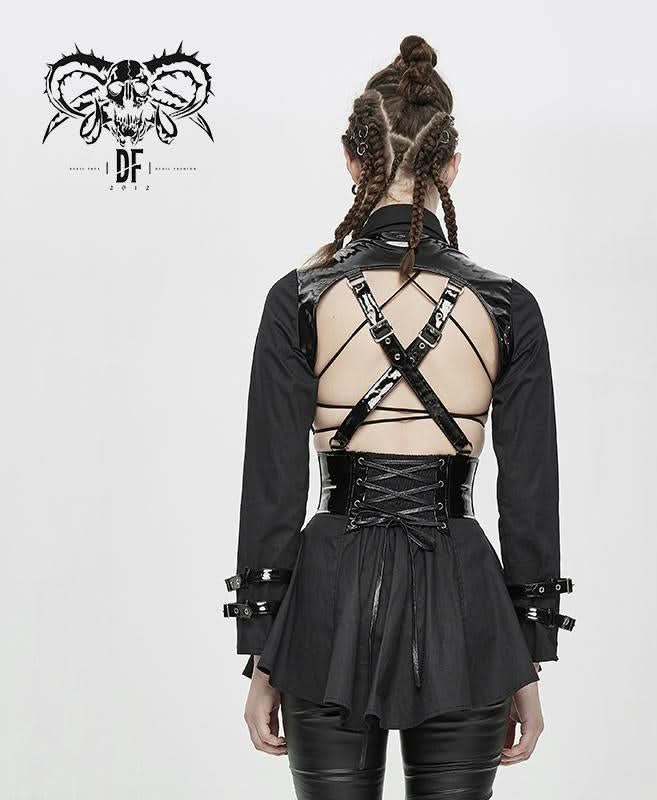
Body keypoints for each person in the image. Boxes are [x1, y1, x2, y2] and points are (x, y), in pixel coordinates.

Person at [223, 34, 576, 800]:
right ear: (452, 167)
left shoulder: (300, 297)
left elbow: (272, 488)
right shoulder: (507, 306)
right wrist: (527, 650)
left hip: (324, 608)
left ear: (354, 162)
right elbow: (530, 495)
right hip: (466, 610)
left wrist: (264, 647)